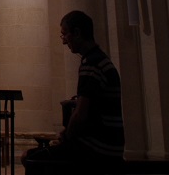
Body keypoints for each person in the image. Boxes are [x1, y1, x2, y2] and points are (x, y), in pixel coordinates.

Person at [22, 11, 124, 173]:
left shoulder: (91, 64)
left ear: (77, 33)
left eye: (64, 34)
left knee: (30, 157)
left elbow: (81, 114)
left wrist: (68, 136)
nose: (63, 41)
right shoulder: (100, 60)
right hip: (109, 145)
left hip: (97, 148)